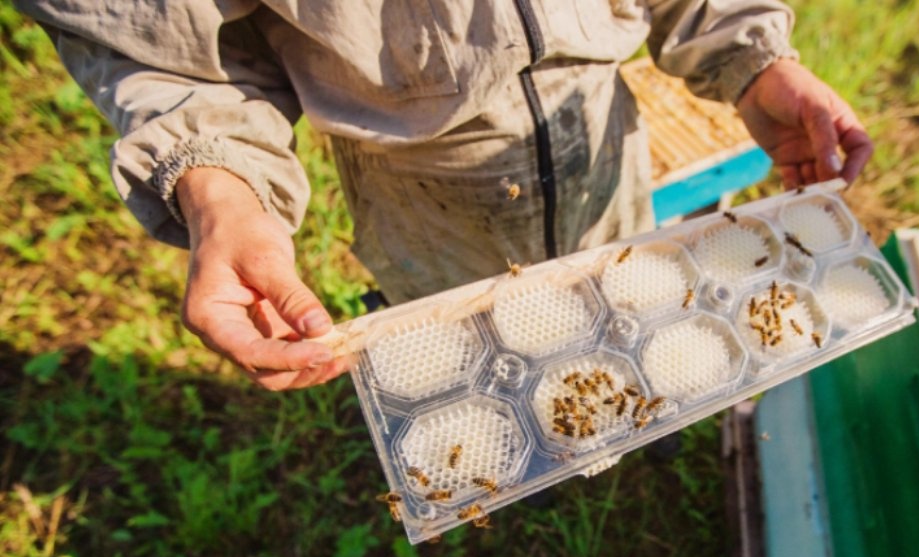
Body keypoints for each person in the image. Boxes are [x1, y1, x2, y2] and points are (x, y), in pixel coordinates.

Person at [19, 1, 872, 392]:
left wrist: (751, 55)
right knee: (478, 357)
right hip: (421, 176)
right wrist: (221, 190)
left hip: (603, 130)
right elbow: (151, 46)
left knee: (614, 313)